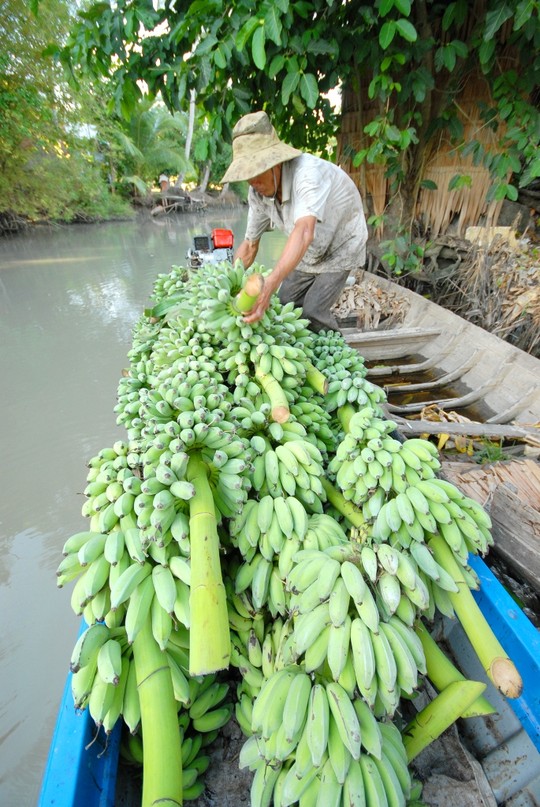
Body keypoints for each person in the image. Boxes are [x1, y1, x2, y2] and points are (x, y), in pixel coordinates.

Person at [221, 110, 368, 332]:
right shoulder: (258, 194)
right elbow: (250, 246)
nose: (253, 182)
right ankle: (300, 346)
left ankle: (335, 350)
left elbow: (304, 232)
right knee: (285, 303)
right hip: (310, 249)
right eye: (247, 176)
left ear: (275, 163)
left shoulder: (307, 174)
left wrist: (269, 284)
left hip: (341, 244)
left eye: (256, 172)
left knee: (313, 310)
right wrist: (226, 281)